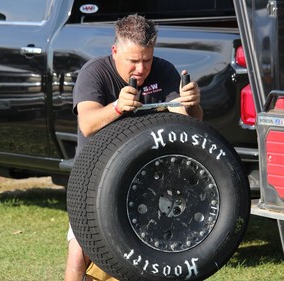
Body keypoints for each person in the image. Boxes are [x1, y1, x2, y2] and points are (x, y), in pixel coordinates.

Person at [65, 14, 203, 281]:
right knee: (80, 253)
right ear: (115, 51)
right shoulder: (94, 73)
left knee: (147, 256)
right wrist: (117, 107)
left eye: (147, 60)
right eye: (133, 61)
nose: (141, 69)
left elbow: (190, 121)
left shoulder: (164, 71)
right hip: (95, 180)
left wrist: (192, 102)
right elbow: (88, 124)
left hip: (149, 180)